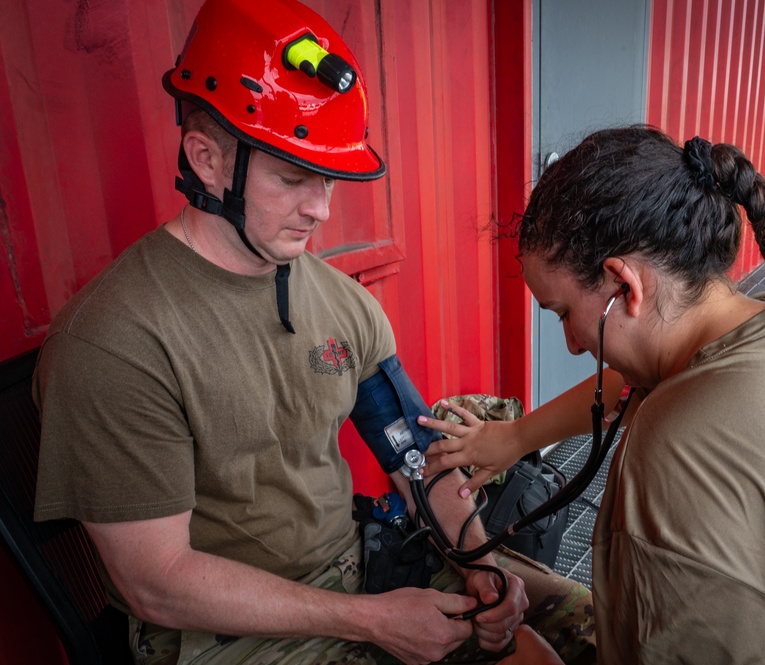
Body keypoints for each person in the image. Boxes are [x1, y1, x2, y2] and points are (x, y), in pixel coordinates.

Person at [30, 1, 595, 664]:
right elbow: (155, 584)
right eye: (293, 178)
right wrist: (371, 621)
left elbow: (415, 455)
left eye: (325, 178)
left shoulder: (339, 303)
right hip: (227, 634)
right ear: (207, 160)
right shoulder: (114, 341)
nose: (320, 209)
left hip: (358, 567)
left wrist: (477, 560)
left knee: (578, 627)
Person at [418, 126, 765, 664]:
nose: (570, 345)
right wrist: (515, 437)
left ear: (624, 285)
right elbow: (646, 377)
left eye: (565, 314)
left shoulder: (680, 449)